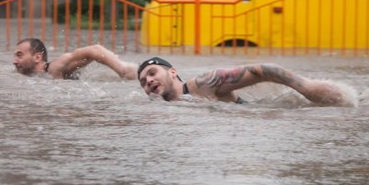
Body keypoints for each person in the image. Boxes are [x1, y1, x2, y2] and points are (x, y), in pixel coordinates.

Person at [136, 56, 354, 106]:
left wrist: (306, 87)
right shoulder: (160, 108)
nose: (149, 81)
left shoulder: (203, 84)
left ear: (173, 72)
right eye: (144, 82)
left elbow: (264, 70)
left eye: (153, 73)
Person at [13, 38, 138, 80]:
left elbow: (95, 50)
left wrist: (122, 70)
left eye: (20, 55)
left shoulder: (54, 67)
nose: (14, 61)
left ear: (37, 57)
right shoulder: (34, 76)